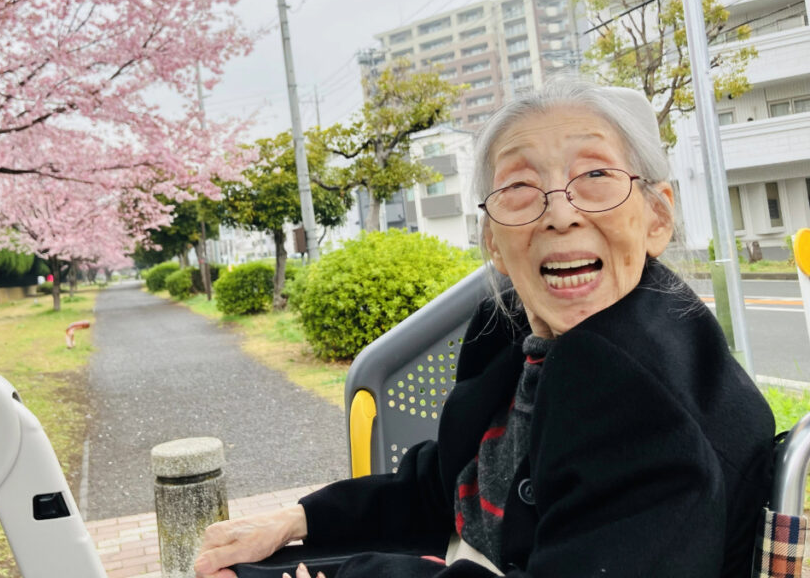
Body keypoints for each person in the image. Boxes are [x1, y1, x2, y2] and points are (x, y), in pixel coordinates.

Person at [194, 81, 775, 578]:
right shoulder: (517, 335)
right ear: (493, 242)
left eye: (595, 174)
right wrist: (299, 520)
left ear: (657, 217)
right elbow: (449, 483)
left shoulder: (646, 402)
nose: (559, 211)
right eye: (519, 188)